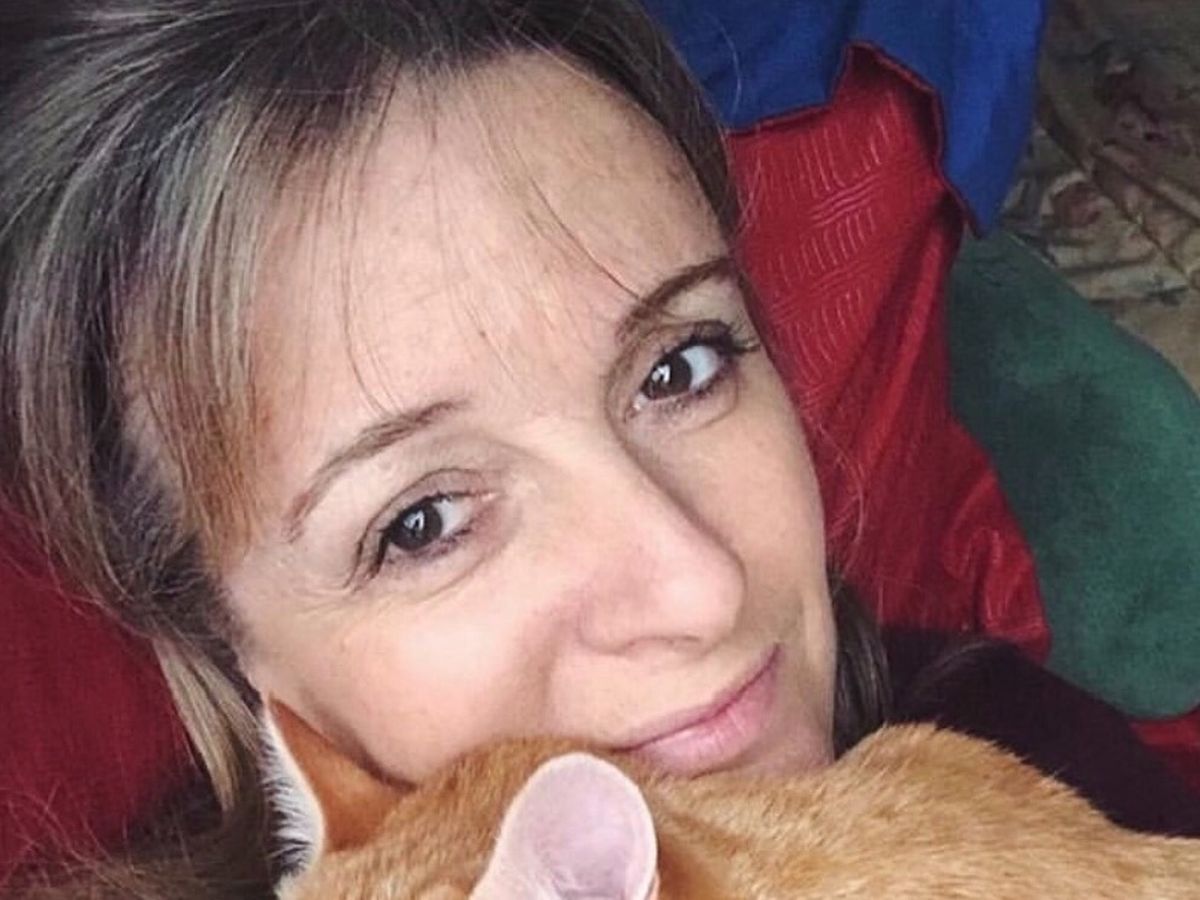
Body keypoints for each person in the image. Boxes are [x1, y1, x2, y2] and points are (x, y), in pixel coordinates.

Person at [0, 1, 1195, 896]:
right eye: (422, 522)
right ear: (235, 657)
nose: (700, 585)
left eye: (680, 367)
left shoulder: (1035, 765)